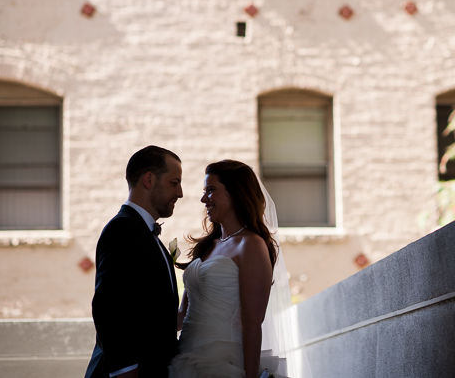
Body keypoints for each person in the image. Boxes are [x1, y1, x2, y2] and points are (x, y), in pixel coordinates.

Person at [169, 160, 311, 378]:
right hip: (185, 361)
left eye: (211, 190)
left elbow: (252, 324)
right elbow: (182, 314)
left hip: (223, 364)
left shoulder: (251, 245)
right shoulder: (207, 246)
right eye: (204, 191)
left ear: (235, 193)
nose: (203, 199)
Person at [85, 145, 183, 378]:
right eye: (174, 182)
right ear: (149, 179)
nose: (180, 193)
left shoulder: (148, 235)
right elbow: (109, 310)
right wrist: (125, 371)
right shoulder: (122, 230)